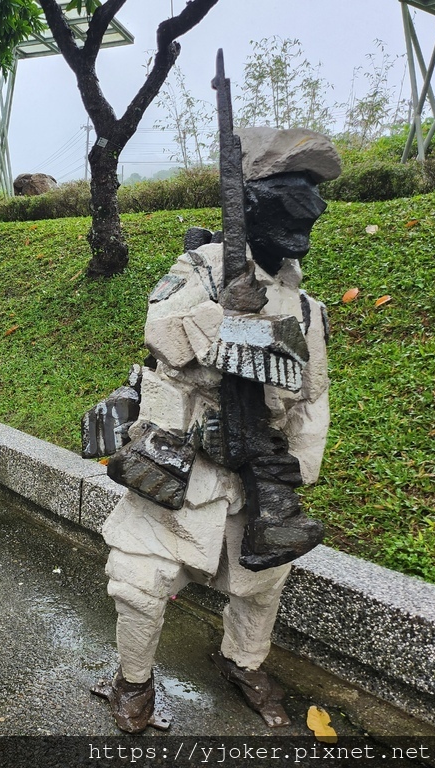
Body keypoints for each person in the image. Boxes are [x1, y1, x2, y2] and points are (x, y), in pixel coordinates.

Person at [89, 127, 341, 733]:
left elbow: (312, 397)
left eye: (311, 206)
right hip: (182, 463)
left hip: (259, 469)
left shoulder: (307, 309)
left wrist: (299, 468)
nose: (304, 221)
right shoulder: (196, 272)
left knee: (260, 584)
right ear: (250, 203)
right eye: (289, 202)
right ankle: (134, 682)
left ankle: (243, 662)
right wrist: (223, 312)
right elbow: (162, 333)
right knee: (138, 583)